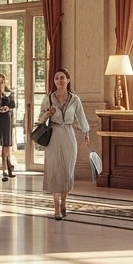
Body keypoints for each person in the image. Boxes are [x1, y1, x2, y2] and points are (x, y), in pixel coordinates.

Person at [38, 68, 90, 220]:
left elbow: (81, 117)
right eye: (56, 78)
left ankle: (64, 203)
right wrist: (48, 113)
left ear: (68, 80)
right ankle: (55, 208)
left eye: (62, 78)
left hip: (69, 135)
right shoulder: (48, 98)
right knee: (54, 171)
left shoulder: (75, 99)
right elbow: (40, 119)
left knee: (67, 171)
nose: (59, 80)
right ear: (54, 82)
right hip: (53, 136)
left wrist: (86, 133)